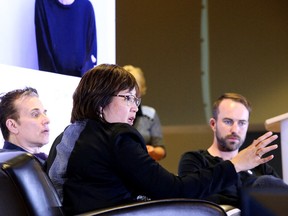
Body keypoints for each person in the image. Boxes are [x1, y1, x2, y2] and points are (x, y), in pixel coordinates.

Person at [45, 64, 278, 215]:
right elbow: (174, 190)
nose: (134, 108)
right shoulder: (117, 137)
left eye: (136, 101)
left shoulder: (63, 139)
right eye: (127, 98)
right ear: (100, 100)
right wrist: (237, 164)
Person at [178, 93, 287, 208]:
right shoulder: (195, 160)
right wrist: (236, 165)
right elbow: (190, 197)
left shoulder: (259, 166)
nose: (235, 129)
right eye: (228, 121)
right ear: (213, 124)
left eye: (242, 123)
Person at [35, 0, 97, 77]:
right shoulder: (43, 3)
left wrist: (83, 83)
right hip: (52, 80)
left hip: (81, 82)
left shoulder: (87, 7)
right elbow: (44, 51)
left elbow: (91, 51)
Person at [123, 65, 166, 161]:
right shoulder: (113, 113)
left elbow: (161, 149)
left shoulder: (150, 114)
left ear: (141, 89)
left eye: (135, 88)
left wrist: (153, 151)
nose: (132, 93)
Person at [0, 87, 50, 164]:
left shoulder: (45, 162)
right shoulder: (8, 169)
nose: (47, 120)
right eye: (35, 114)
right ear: (12, 125)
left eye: (45, 113)